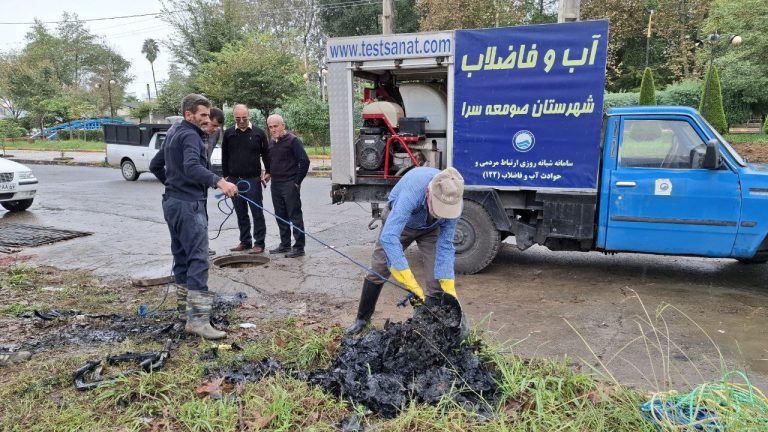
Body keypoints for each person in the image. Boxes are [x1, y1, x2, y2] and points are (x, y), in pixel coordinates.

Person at [346, 166, 465, 335]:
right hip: (400, 225)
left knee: (436, 280)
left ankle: (427, 325)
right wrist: (408, 280)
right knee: (379, 268)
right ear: (429, 193)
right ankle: (362, 319)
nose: (441, 214)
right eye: (439, 208)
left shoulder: (454, 200)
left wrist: (449, 286)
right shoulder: (413, 191)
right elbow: (389, 237)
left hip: (431, 229)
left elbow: (445, 245)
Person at [158, 93, 237, 340]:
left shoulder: (173, 133)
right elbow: (192, 167)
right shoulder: (191, 135)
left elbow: (154, 165)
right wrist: (218, 181)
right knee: (198, 259)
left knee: (181, 257)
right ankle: (199, 320)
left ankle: (185, 312)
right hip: (188, 205)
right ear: (188, 115)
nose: (206, 119)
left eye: (207, 115)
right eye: (202, 115)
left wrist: (175, 186)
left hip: (172, 202)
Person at [151, 108, 225, 257]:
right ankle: (197, 251)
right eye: (213, 125)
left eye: (217, 127)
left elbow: (204, 162)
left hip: (199, 191)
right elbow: (155, 165)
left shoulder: (214, 134)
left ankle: (202, 246)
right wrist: (174, 184)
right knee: (194, 256)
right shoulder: (178, 135)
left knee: (200, 226)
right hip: (185, 198)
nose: (214, 130)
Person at [221, 104, 271, 253]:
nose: (241, 121)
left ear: (249, 116)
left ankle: (259, 243)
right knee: (240, 212)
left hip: (253, 179)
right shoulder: (229, 133)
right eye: (238, 118)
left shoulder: (259, 133)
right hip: (234, 180)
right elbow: (225, 156)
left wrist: (268, 171)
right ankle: (245, 241)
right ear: (234, 117)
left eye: (244, 118)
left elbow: (266, 154)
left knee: (257, 212)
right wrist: (226, 178)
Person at [266, 114, 310, 258]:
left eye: (276, 126)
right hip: (276, 184)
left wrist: (296, 182)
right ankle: (285, 244)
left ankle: (299, 247)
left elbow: (304, 161)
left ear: (283, 126)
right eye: (270, 127)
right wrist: (268, 173)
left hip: (289, 184)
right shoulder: (271, 142)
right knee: (280, 215)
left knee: (294, 215)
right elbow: (272, 161)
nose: (273, 129)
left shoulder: (293, 141)